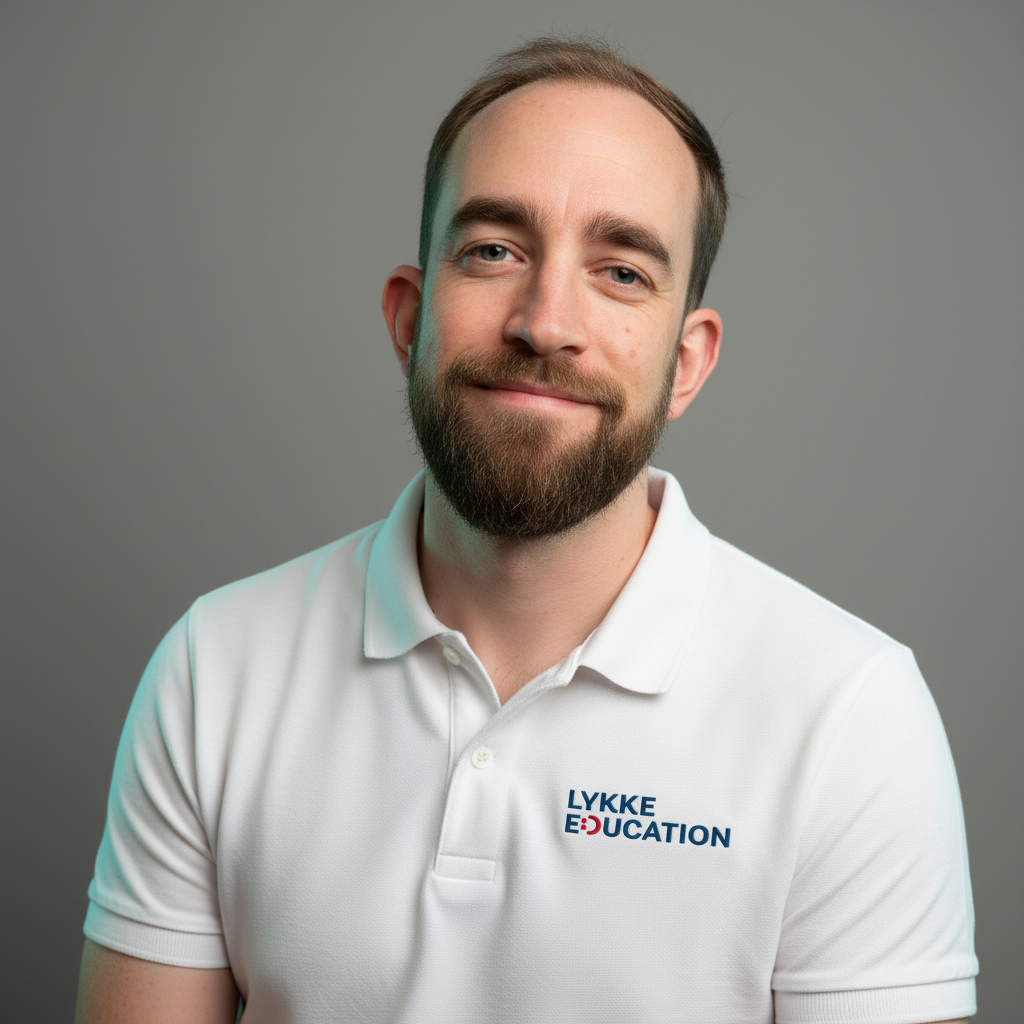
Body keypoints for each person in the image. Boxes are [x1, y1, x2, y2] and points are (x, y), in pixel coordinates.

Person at [75, 37, 977, 1024]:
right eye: (493, 251)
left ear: (686, 362)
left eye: (620, 271)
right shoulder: (215, 666)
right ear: (409, 319)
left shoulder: (850, 716)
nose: (545, 324)